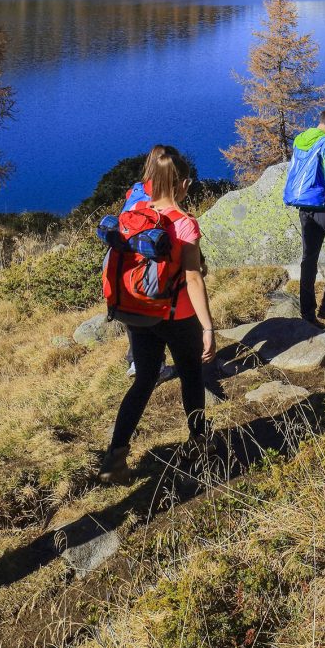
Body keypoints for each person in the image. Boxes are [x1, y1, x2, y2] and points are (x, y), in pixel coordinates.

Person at [103, 145, 217, 482]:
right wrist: (208, 327)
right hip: (176, 315)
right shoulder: (184, 224)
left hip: (136, 312)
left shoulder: (136, 212)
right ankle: (199, 444)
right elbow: (194, 278)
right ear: (182, 184)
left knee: (144, 379)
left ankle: (115, 458)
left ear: (150, 181)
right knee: (192, 376)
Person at [283, 107, 325, 325]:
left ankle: (307, 314)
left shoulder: (301, 138)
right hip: (324, 207)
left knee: (308, 259)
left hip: (304, 207)